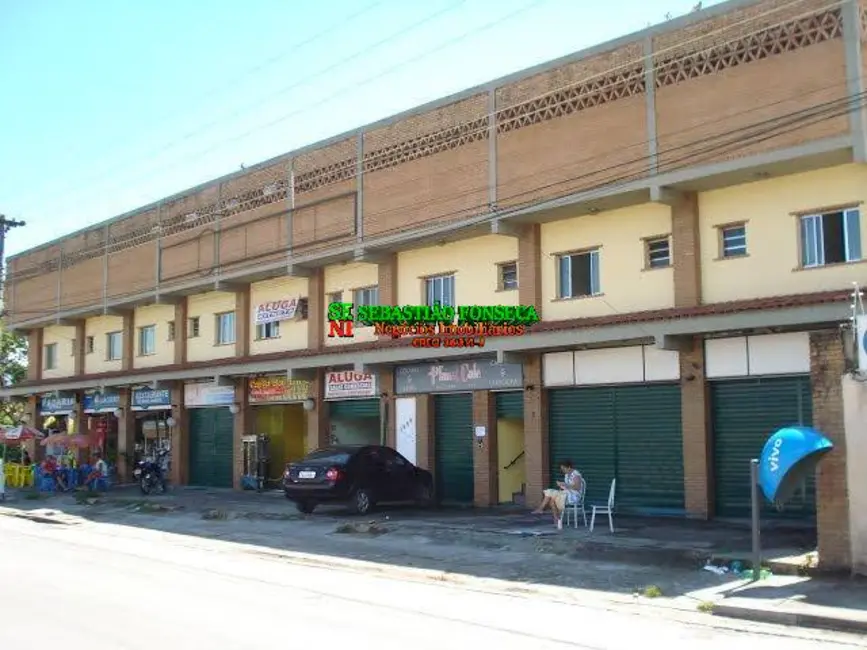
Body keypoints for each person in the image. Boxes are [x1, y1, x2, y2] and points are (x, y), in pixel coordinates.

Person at [532, 459, 584, 530]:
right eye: (561, 469)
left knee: (551, 493)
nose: (562, 470)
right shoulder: (566, 475)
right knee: (551, 500)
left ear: (569, 467)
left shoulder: (576, 475)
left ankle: (542, 509)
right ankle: (556, 520)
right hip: (567, 493)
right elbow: (567, 487)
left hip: (574, 496)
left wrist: (565, 484)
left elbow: (577, 487)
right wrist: (562, 486)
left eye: (563, 469)